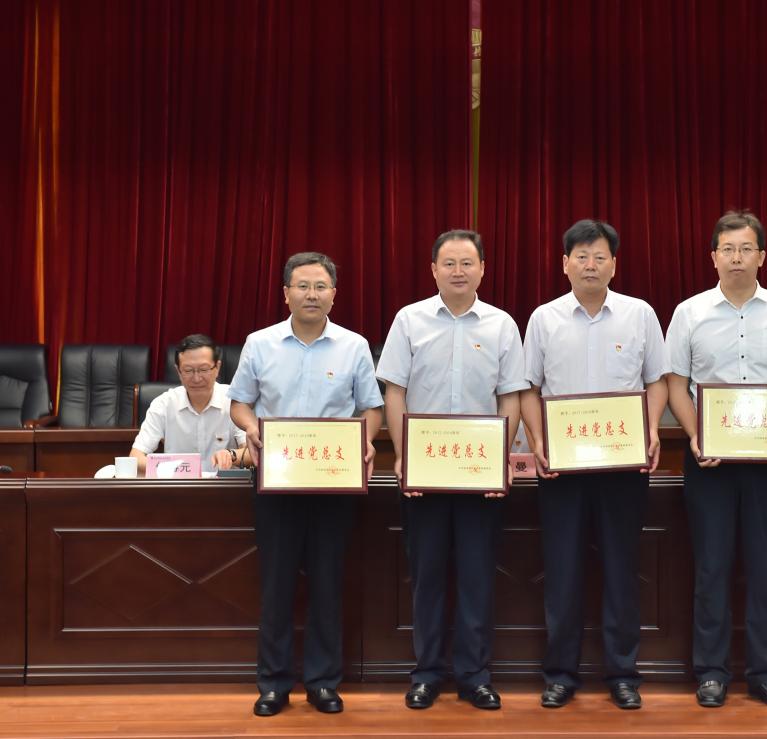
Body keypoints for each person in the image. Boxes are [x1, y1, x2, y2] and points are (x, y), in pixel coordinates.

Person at [665, 210, 767, 709]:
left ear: (762, 256)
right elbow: (675, 385)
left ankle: (763, 672)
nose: (736, 258)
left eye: (746, 249)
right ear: (713, 256)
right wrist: (695, 436)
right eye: (728, 249)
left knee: (765, 570)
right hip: (709, 463)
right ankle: (710, 672)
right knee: (711, 568)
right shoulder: (689, 312)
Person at [376, 229, 528, 711]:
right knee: (427, 577)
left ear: (483, 269)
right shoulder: (409, 320)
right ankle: (426, 674)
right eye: (449, 263)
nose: (458, 271)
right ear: (433, 270)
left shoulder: (502, 324)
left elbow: (511, 397)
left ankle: (474, 675)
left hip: (480, 476)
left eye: (467, 263)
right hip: (426, 475)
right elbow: (395, 392)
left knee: (477, 577)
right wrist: (403, 455)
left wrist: (500, 459)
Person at [520, 219, 668, 710]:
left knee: (622, 571)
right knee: (562, 572)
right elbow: (529, 388)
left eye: (599, 256)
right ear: (564, 264)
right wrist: (538, 440)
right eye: (581, 256)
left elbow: (657, 381)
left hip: (622, 467)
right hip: (561, 469)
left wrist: (650, 430)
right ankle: (560, 674)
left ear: (614, 264)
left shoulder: (639, 314)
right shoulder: (543, 319)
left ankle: (622, 673)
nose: (590, 265)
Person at [228, 252, 383, 717]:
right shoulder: (260, 343)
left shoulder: (353, 345)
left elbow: (371, 407)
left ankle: (322, 682)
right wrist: (251, 428)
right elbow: (239, 402)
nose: (311, 295)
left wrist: (366, 440)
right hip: (276, 480)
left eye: (320, 286)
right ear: (286, 293)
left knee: (327, 583)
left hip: (333, 482)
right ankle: (274, 684)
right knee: (276, 584)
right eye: (302, 286)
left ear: (334, 293)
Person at [129, 334, 247, 474]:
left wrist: (231, 455)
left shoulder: (234, 401)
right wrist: (173, 469)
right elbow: (136, 457)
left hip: (223, 486)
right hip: (178, 485)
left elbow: (252, 453)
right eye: (188, 370)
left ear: (217, 367)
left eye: (204, 369)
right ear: (178, 371)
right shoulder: (163, 404)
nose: (196, 378)